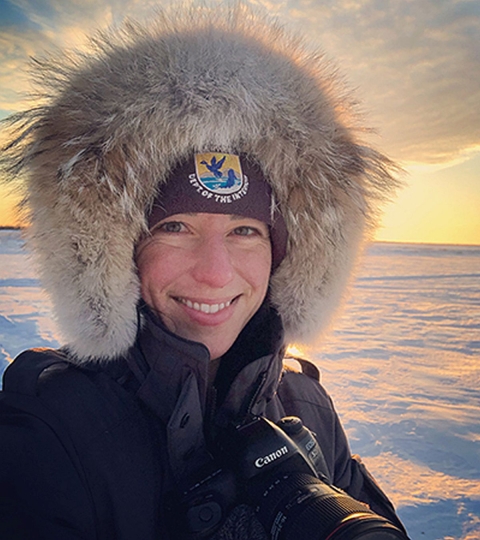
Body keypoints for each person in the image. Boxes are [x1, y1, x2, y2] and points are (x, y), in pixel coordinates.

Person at [0, 5, 409, 540]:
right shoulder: (49, 430)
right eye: (174, 227)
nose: (216, 275)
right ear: (118, 251)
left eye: (246, 231)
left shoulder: (308, 406)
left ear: (284, 254)